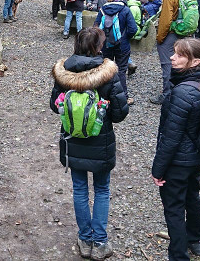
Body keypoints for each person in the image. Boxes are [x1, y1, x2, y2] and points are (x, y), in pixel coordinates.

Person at [49, 27, 130, 260]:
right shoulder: (108, 73)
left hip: (72, 140)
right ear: (98, 47)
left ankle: (85, 239)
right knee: (102, 189)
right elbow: (120, 113)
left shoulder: (64, 72)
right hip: (101, 141)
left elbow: (55, 106)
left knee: (80, 189)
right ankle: (100, 242)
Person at [151, 38, 200, 261]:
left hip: (179, 162)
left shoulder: (182, 93)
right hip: (195, 158)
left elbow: (171, 137)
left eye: (179, 55)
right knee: (192, 196)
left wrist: (158, 170)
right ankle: (195, 238)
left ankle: (178, 255)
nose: (172, 57)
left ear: (195, 61)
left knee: (174, 208)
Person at [95, 0, 138, 95]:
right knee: (121, 70)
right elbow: (133, 29)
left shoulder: (103, 9)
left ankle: (104, 95)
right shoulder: (125, 9)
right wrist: (125, 38)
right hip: (122, 45)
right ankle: (122, 96)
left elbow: (96, 26)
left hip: (105, 44)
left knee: (105, 69)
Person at [151, 0, 186, 104]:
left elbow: (165, 21)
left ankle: (167, 96)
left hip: (170, 35)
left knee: (168, 65)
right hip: (181, 33)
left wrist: (160, 38)